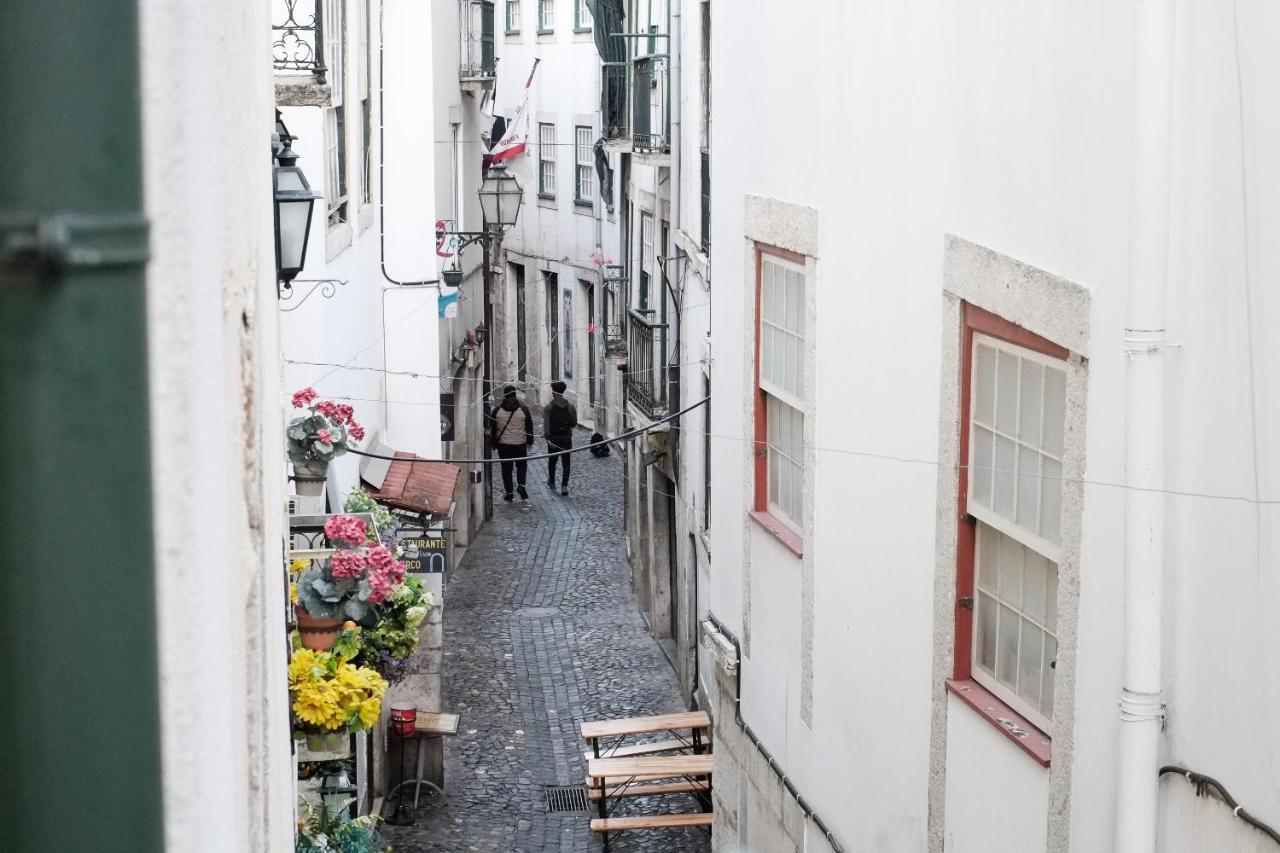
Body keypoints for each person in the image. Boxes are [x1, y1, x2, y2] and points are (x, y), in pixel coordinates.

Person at [488, 385, 534, 501]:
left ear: (505, 395)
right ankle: (521, 486)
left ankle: (509, 492)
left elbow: (493, 429)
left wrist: (493, 444)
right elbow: (529, 427)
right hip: (520, 444)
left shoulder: (497, 411)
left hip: (504, 445)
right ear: (515, 394)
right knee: (521, 466)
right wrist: (530, 442)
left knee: (506, 470)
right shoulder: (523, 410)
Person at [543, 380, 578, 495]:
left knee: (552, 461)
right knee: (566, 463)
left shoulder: (548, 408)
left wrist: (547, 438)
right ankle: (564, 486)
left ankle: (552, 481)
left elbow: (546, 425)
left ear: (553, 392)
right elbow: (574, 423)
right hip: (566, 439)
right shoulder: (571, 407)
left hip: (553, 439)